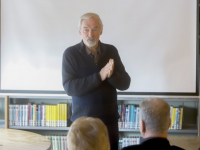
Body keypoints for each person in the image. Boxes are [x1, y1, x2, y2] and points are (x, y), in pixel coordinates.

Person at [62, 12, 131, 150]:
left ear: (101, 30)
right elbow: (70, 87)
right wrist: (99, 76)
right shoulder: (70, 54)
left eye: (94, 29)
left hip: (108, 123)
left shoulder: (111, 51)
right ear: (80, 31)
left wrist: (111, 75)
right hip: (82, 125)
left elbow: (125, 83)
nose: (90, 34)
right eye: (86, 29)